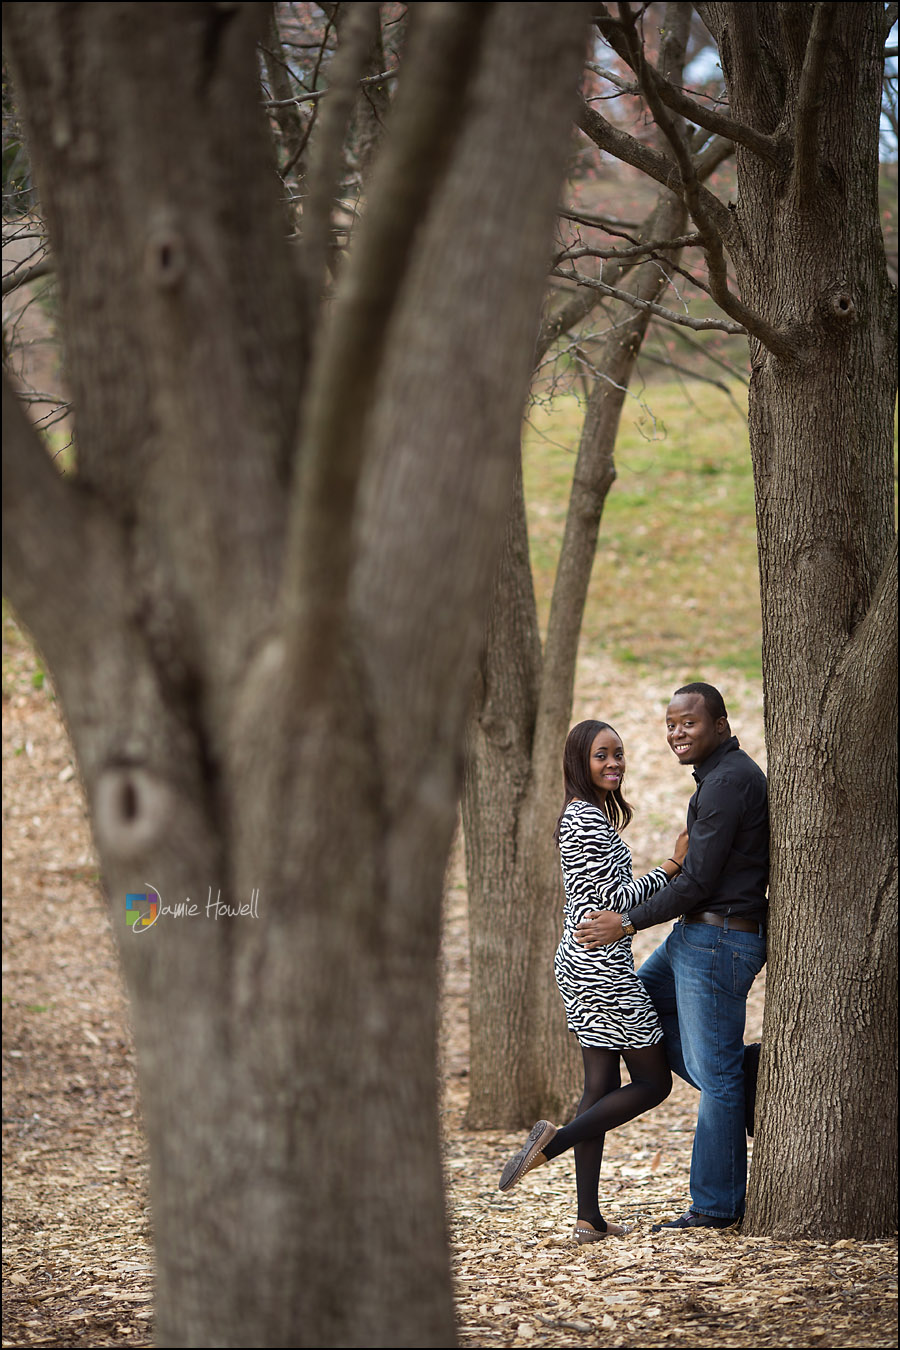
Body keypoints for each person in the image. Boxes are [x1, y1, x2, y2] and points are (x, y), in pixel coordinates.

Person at [574, 682, 768, 1231]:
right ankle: (752, 1083)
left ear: (721, 725)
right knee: (646, 1017)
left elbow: (699, 879)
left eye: (689, 723)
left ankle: (714, 1207)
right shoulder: (716, 780)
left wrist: (628, 921)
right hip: (694, 937)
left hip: (719, 939)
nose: (677, 733)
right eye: (671, 724)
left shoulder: (729, 782)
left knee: (717, 1076)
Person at [498, 719, 689, 1244]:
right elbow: (613, 903)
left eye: (618, 754)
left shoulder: (584, 815)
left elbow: (607, 894)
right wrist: (674, 865)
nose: (613, 764)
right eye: (601, 755)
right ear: (579, 762)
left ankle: (588, 1219)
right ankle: (551, 1147)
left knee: (599, 1090)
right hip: (601, 970)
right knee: (653, 1083)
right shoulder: (584, 818)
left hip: (579, 966)